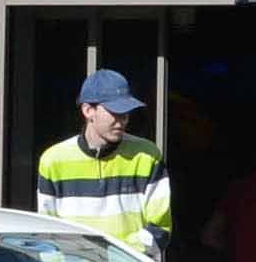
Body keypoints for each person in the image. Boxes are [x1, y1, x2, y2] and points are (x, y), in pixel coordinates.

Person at [34, 73, 169, 252]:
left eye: (126, 113)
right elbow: (47, 236)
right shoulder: (53, 160)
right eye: (115, 112)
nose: (122, 120)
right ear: (88, 110)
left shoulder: (147, 155)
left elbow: (160, 229)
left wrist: (112, 261)